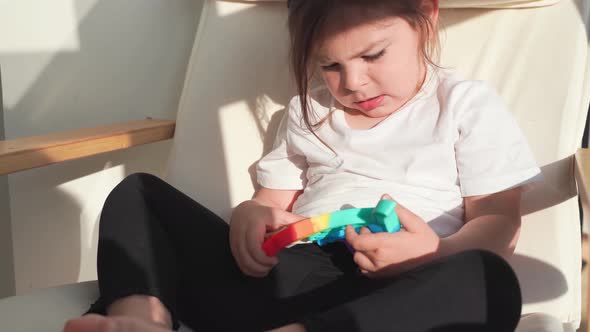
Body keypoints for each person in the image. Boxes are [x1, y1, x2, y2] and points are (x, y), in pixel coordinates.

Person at [63, 0, 542, 331]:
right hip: (284, 280)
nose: (352, 82)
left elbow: (499, 220)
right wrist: (252, 216)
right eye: (328, 66)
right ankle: (143, 320)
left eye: (373, 54)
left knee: (487, 278)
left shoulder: (461, 104)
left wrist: (433, 255)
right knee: (139, 193)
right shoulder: (307, 113)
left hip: (392, 288)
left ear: (427, 16)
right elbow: (270, 202)